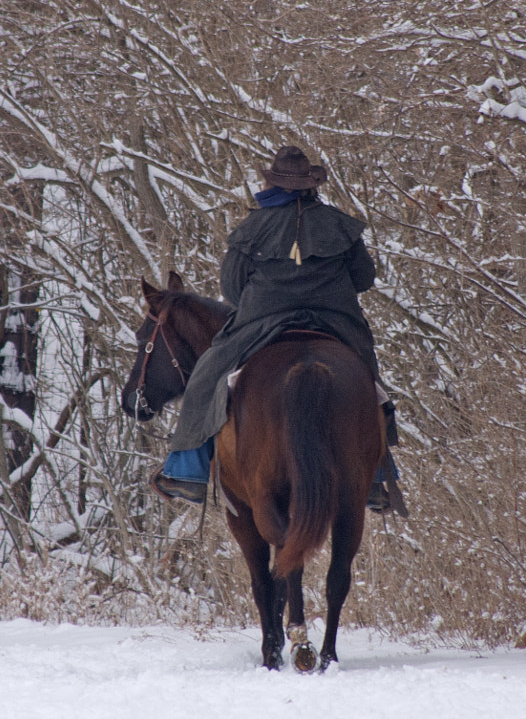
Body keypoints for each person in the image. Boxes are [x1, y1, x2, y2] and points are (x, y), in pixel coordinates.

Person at [153, 145, 407, 515]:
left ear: (273, 183)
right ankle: (374, 477)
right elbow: (363, 278)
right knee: (368, 384)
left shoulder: (251, 229)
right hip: (334, 320)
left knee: (207, 375)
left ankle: (187, 473)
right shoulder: (340, 225)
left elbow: (233, 287)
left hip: (261, 323)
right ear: (309, 185)